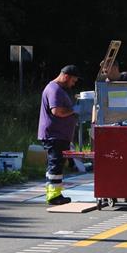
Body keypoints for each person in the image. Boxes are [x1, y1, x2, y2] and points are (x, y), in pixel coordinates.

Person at [38, 65, 81, 205]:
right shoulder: (54, 89)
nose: (73, 84)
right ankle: (53, 196)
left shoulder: (58, 89)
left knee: (56, 164)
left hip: (59, 135)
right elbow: (57, 111)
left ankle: (54, 192)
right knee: (55, 165)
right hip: (54, 135)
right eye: (73, 81)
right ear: (66, 76)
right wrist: (74, 110)